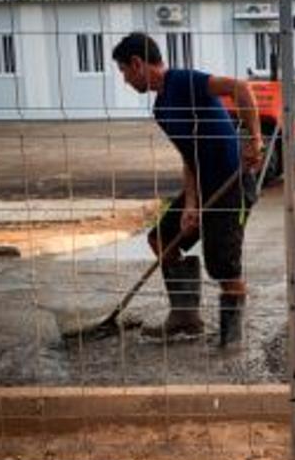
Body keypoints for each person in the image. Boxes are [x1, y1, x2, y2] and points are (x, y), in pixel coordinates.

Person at [111, 32, 263, 347]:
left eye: (124, 71)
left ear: (137, 63)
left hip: (232, 184)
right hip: (204, 187)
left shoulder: (184, 81)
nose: (125, 80)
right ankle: (185, 317)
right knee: (161, 236)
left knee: (223, 265)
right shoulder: (161, 109)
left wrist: (254, 139)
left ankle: (232, 341)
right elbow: (189, 158)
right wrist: (191, 204)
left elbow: (240, 87)